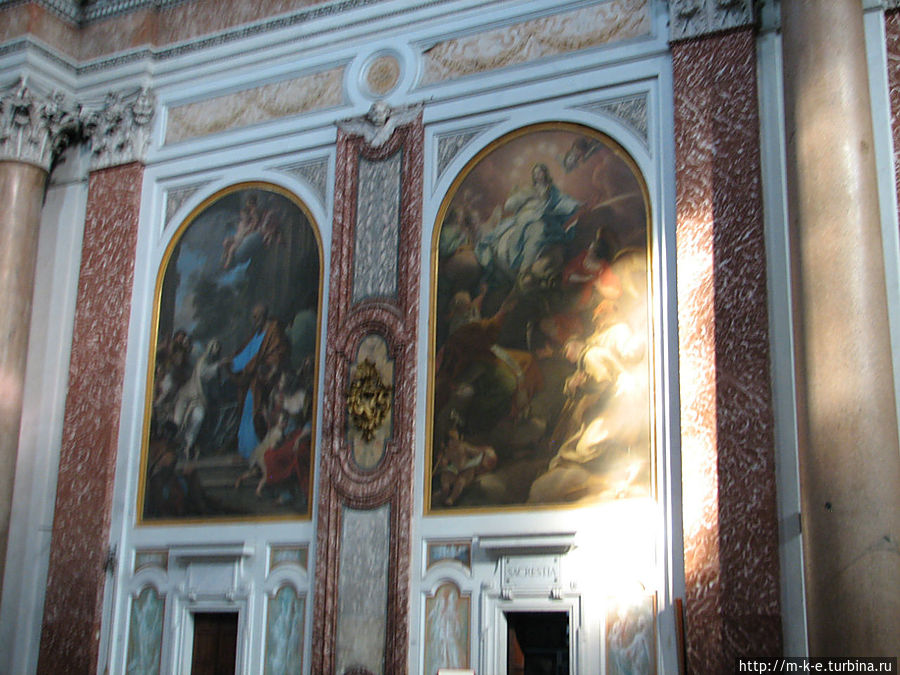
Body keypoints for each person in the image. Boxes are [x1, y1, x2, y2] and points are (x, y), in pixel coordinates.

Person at [475, 163, 580, 288]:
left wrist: (575, 205)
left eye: (540, 172)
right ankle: (525, 269)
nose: (538, 175)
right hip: (527, 217)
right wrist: (526, 196)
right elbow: (509, 205)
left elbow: (563, 201)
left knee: (556, 235)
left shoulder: (552, 190)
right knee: (536, 230)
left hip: (546, 217)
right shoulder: (528, 190)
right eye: (535, 173)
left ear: (545, 173)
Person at [229, 303, 290, 460]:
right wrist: (232, 363)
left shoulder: (273, 332)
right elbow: (247, 353)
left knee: (255, 411)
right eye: (253, 317)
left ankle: (256, 452)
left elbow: (278, 354)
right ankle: (246, 452)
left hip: (265, 381)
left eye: (256, 317)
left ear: (263, 316)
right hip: (252, 380)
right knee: (246, 412)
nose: (254, 320)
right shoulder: (257, 334)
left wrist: (264, 367)